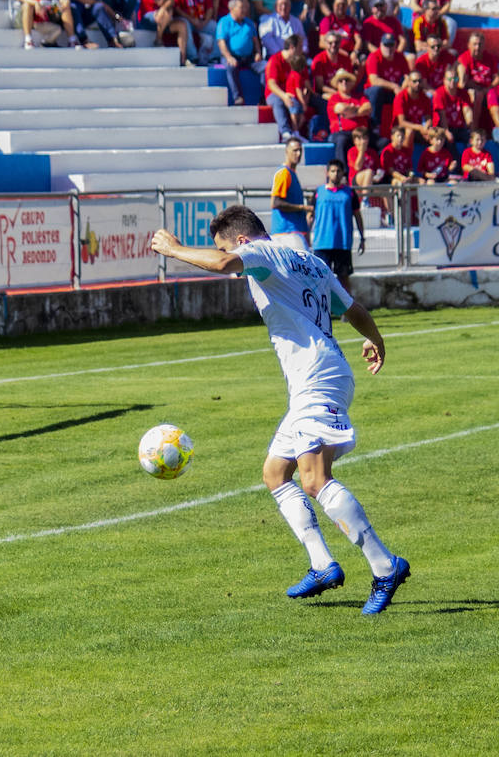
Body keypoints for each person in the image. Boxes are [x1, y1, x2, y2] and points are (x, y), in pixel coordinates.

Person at [151, 205, 408, 616]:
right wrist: (375, 337)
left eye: (230, 249)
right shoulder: (309, 261)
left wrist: (176, 249)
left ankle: (384, 566)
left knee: (315, 478)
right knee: (275, 473)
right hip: (320, 376)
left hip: (316, 378)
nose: (237, 267)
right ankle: (323, 565)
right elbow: (352, 308)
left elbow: (220, 262)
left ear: (242, 241)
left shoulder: (262, 253)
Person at [310, 159, 365, 292]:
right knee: (320, 279)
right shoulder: (318, 192)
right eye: (333, 171)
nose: (335, 174)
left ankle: (347, 312)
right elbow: (310, 216)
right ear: (328, 173)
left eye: (338, 171)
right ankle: (322, 311)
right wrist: (306, 235)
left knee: (344, 279)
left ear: (343, 173)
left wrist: (363, 238)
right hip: (322, 243)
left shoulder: (350, 193)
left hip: (343, 243)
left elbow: (358, 216)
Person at [215, 0, 263, 103]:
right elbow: (221, 43)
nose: (244, 10)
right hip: (232, 56)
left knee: (266, 67)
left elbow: (255, 41)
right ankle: (237, 97)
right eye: (241, 8)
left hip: (249, 57)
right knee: (230, 67)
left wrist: (258, 53)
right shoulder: (224, 22)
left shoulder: (249, 22)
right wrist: (229, 57)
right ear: (232, 9)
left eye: (245, 8)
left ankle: (263, 97)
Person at [270, 137, 312, 251]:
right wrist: (303, 207)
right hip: (287, 234)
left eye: (300, 150)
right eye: (295, 150)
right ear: (286, 151)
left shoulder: (291, 173)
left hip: (291, 232)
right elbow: (276, 203)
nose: (298, 154)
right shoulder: (284, 173)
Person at [265, 35, 307, 140]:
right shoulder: (275, 60)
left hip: (293, 93)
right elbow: (271, 84)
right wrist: (284, 96)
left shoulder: (298, 61)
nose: (302, 50)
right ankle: (285, 132)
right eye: (300, 47)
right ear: (292, 47)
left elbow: (305, 81)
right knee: (278, 101)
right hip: (276, 94)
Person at [327, 70, 371, 161]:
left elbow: (368, 108)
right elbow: (341, 108)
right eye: (341, 80)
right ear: (337, 84)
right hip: (341, 132)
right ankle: (342, 172)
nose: (344, 82)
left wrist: (352, 113)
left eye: (346, 80)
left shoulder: (360, 96)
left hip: (361, 132)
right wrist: (359, 109)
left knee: (381, 142)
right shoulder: (334, 98)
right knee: (342, 141)